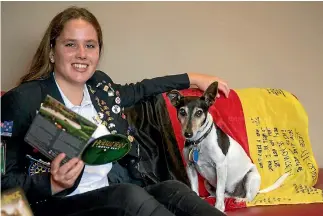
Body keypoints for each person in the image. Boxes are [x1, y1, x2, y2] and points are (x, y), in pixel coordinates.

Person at [1, 6, 230, 216]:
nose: (82, 53)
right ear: (52, 51)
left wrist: (192, 78)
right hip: (55, 206)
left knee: (172, 189)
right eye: (70, 44)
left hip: (106, 196)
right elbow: (3, 182)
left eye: (90, 45)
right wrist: (50, 183)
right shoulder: (22, 101)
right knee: (128, 196)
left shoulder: (100, 87)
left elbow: (141, 89)